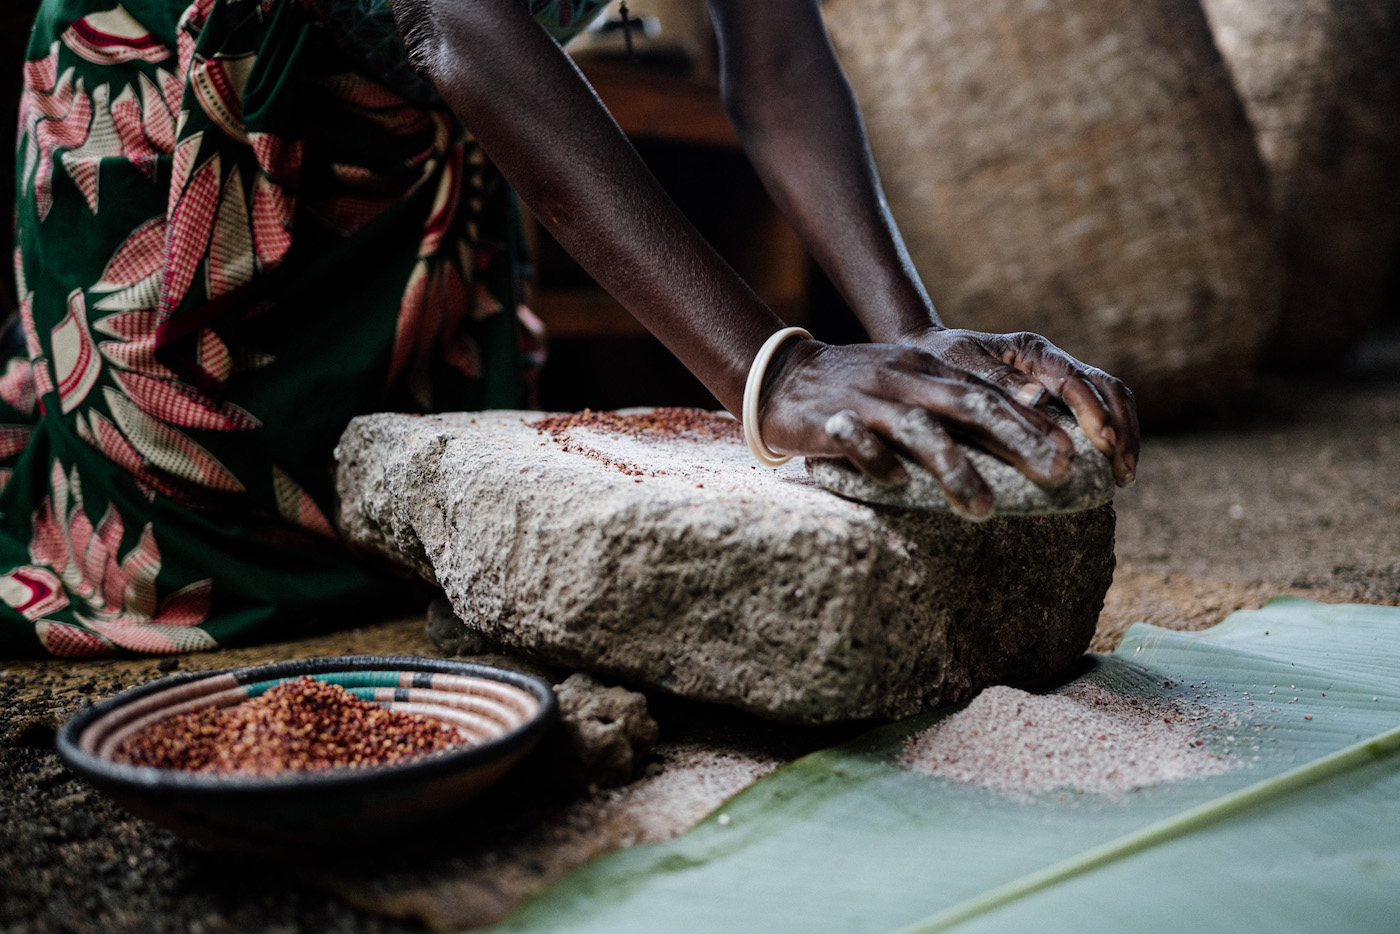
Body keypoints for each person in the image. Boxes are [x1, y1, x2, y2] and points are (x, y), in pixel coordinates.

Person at [2, 0, 1137, 658]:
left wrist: (911, 334)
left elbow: (780, 62)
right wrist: (771, 376)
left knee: (397, 541)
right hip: (188, 123)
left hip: (405, 151)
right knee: (181, 578)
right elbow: (457, 19)